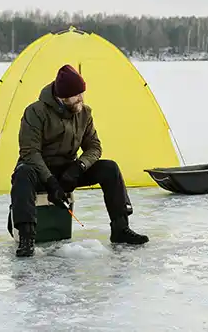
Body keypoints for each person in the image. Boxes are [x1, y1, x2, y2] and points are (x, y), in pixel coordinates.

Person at [9, 64, 149, 257]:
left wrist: (78, 167)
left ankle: (120, 229)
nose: (81, 98)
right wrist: (50, 181)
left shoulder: (84, 113)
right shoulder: (35, 112)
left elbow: (94, 147)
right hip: (38, 169)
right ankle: (26, 238)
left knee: (110, 168)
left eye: (82, 93)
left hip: (68, 170)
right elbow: (29, 152)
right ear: (62, 97)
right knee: (22, 174)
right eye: (76, 95)